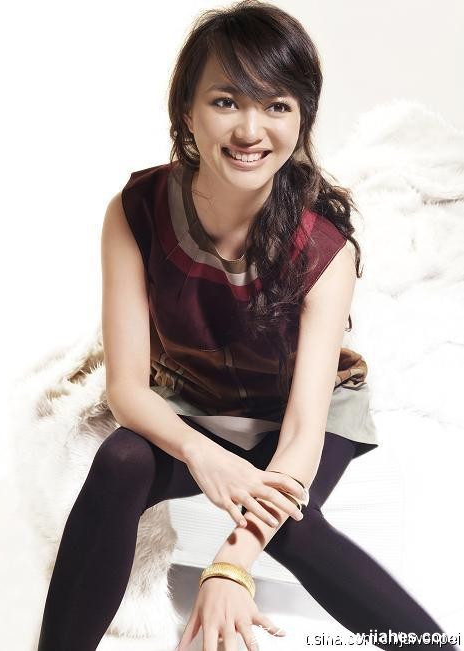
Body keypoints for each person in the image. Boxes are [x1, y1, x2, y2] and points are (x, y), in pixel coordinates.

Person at [36, 2, 459, 650]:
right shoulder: (136, 211)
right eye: (225, 101)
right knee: (120, 458)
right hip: (196, 403)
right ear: (187, 112)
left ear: (301, 119)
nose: (250, 129)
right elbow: (126, 389)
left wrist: (230, 567)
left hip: (301, 417)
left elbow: (302, 431)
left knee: (292, 527)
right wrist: (204, 456)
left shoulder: (324, 247)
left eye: (276, 106)